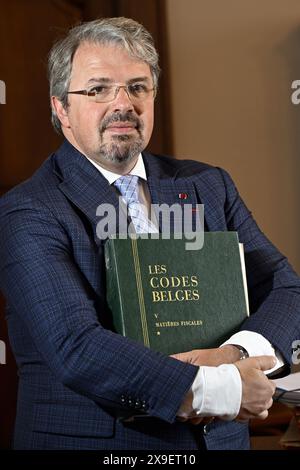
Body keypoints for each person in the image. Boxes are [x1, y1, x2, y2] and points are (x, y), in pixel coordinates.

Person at [0, 17, 299, 451]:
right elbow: (76, 347)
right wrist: (224, 388)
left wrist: (234, 357)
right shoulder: (28, 209)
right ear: (61, 107)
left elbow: (286, 287)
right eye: (99, 89)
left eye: (138, 87)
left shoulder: (208, 185)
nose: (123, 104)